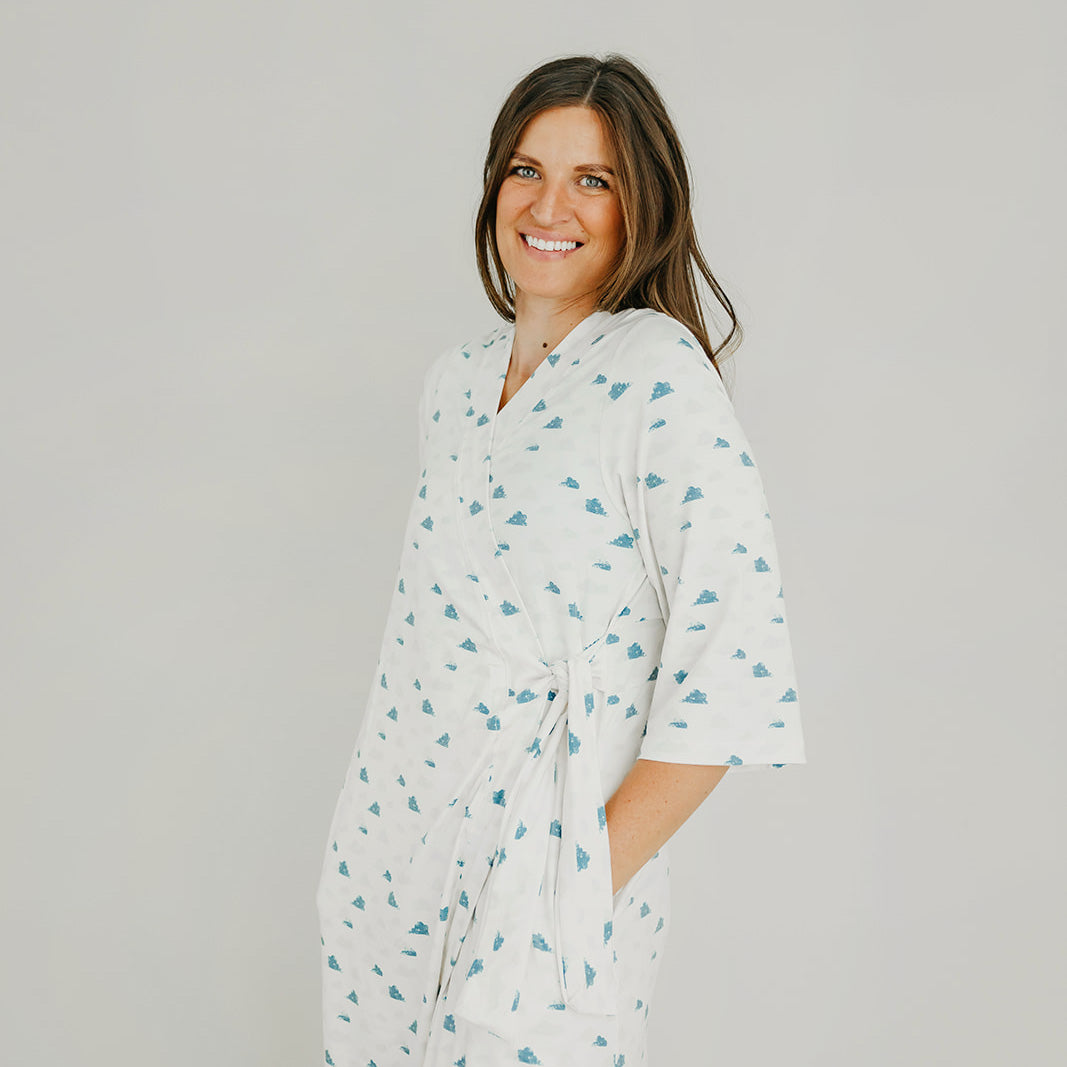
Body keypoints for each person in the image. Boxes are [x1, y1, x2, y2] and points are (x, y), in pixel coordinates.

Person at [316, 53, 806, 1067]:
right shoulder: (454, 385)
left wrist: (568, 892)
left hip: (545, 878)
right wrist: (365, 854)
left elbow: (731, 674)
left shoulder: (657, 377)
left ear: (641, 206)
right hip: (394, 855)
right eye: (526, 170)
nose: (550, 206)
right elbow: (420, 641)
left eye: (593, 179)